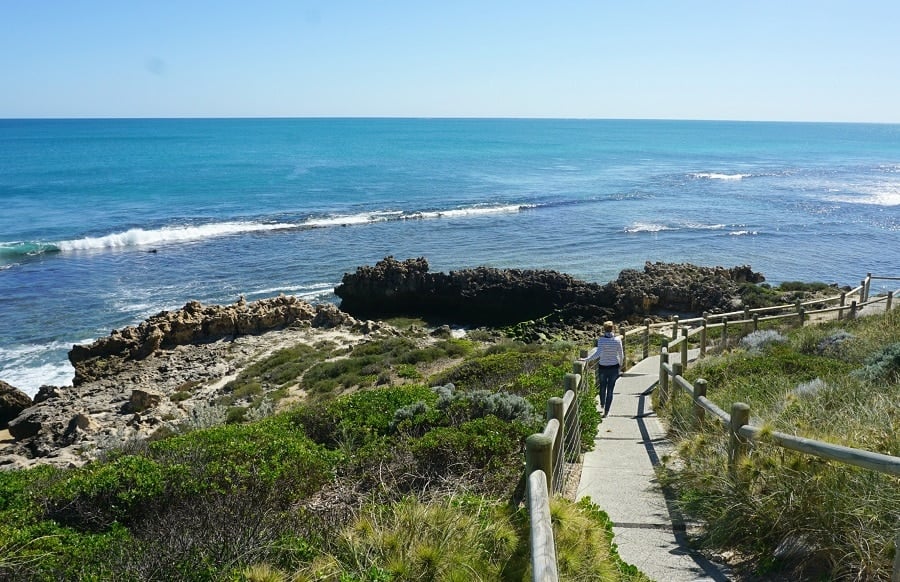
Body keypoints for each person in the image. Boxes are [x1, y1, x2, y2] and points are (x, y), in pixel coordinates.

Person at [585, 321, 624, 416]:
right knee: (610, 390)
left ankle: (602, 403)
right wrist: (621, 365)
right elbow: (621, 354)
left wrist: (587, 359)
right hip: (614, 367)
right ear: (613, 329)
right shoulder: (617, 340)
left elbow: (597, 354)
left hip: (603, 367)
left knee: (602, 387)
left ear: (604, 329)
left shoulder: (601, 340)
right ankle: (606, 412)